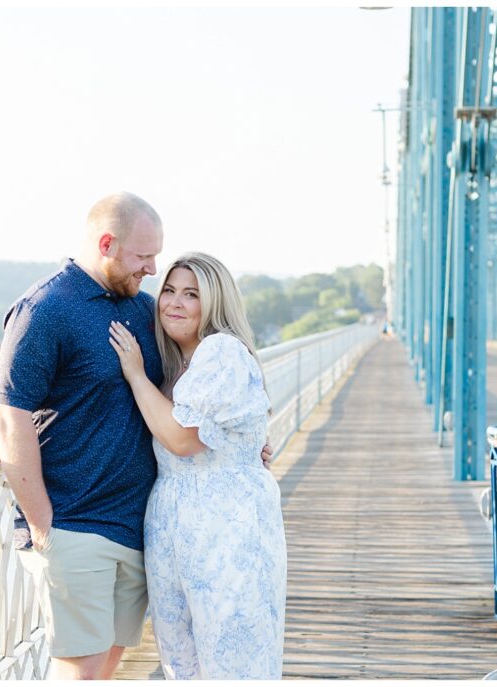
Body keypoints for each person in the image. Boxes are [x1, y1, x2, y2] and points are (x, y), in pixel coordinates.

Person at [0, 194, 273, 680]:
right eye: (144, 257)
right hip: (75, 522)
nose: (153, 269)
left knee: (108, 667)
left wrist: (241, 441)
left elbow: (189, 396)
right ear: (107, 244)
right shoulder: (46, 309)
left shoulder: (147, 311)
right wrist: (41, 523)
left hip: (145, 527)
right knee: (79, 668)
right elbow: (7, 415)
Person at [108, 252, 287, 680]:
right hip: (174, 529)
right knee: (182, 664)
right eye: (168, 290)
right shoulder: (175, 364)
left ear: (215, 303)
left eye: (191, 294)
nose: (174, 302)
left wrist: (135, 374)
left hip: (227, 530)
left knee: (232, 659)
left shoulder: (221, 351)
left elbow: (182, 438)